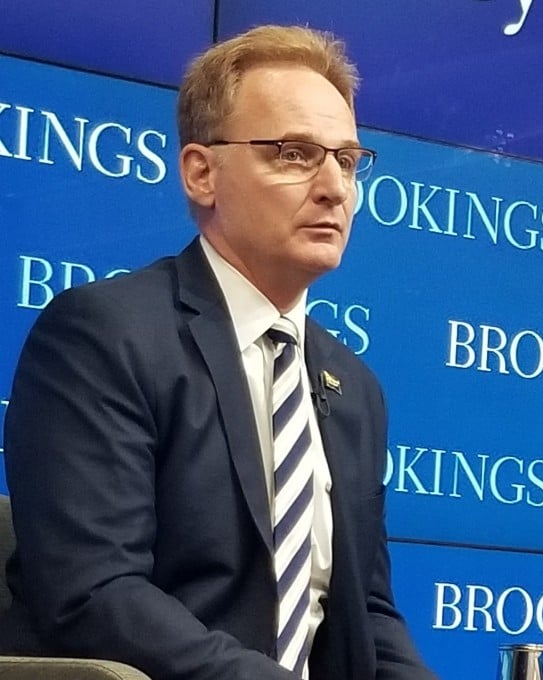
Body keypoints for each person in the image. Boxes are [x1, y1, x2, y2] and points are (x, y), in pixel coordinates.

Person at [1, 25, 436, 680]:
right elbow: (94, 591)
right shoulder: (104, 335)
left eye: (347, 160)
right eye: (294, 153)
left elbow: (367, 614)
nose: (334, 188)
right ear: (201, 173)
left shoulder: (353, 386)